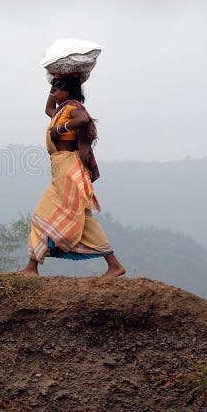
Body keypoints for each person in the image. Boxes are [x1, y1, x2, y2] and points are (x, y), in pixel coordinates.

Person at [19, 75, 125, 277]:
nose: (54, 94)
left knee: (43, 214)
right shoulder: (59, 110)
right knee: (81, 217)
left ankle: (32, 268)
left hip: (69, 170)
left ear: (67, 92)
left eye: (58, 90)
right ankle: (114, 265)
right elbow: (48, 109)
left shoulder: (72, 107)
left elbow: (83, 119)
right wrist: (55, 80)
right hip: (61, 169)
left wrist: (62, 128)